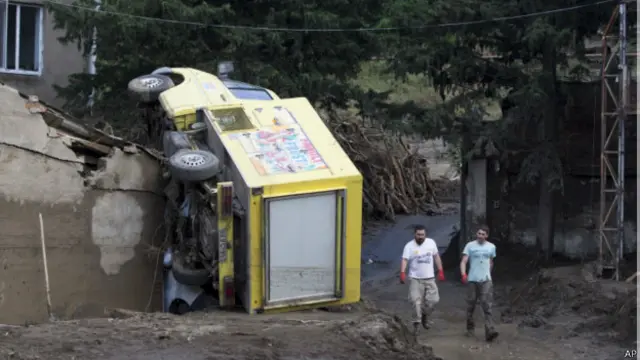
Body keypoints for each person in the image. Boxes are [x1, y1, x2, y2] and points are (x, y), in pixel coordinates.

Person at [400, 225, 445, 334]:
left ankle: (425, 315)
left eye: (422, 235)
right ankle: (416, 325)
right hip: (415, 278)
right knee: (415, 302)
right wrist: (402, 272)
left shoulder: (431, 243)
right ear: (414, 234)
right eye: (418, 234)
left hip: (429, 278)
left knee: (434, 300)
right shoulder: (409, 246)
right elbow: (405, 260)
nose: (420, 237)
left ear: (426, 235)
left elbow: (436, 257)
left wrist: (440, 270)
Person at [459, 225, 499, 342]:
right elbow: (464, 261)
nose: (480, 236)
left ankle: (490, 331)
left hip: (486, 280)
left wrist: (489, 275)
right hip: (472, 279)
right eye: (479, 233)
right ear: (476, 234)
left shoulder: (491, 247)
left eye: (483, 234)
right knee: (471, 305)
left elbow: (491, 262)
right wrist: (463, 274)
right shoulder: (470, 246)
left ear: (487, 236)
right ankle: (470, 328)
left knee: (487, 305)